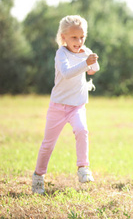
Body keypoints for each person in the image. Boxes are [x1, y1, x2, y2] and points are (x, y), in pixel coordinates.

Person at [32, 15, 100, 194]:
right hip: (58, 106)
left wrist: (91, 63)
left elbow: (94, 70)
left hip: (77, 105)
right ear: (63, 37)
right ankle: (38, 176)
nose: (79, 41)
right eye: (74, 37)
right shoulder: (61, 53)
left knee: (82, 130)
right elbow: (67, 73)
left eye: (82, 36)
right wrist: (86, 63)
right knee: (48, 144)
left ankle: (83, 167)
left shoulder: (85, 51)